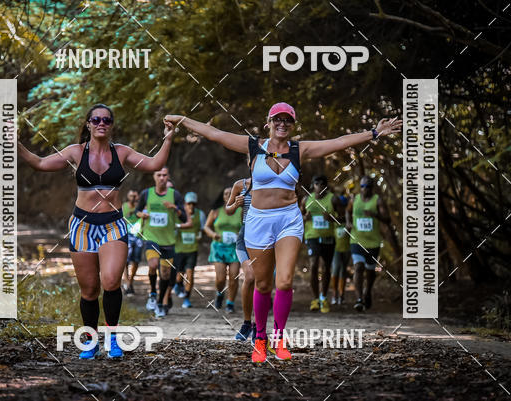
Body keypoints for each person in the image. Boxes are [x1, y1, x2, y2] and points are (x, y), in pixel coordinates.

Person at [164, 102, 401, 362]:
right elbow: (214, 134)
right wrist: (181, 119)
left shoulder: (299, 149)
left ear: (293, 124)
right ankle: (260, 339)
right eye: (278, 119)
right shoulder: (253, 146)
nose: (282, 123)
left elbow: (338, 142)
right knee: (263, 284)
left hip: (289, 219)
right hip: (258, 221)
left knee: (285, 281)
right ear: (268, 122)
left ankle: (279, 338)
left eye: (288, 120)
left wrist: (374, 133)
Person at [18, 104, 175, 359]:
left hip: (113, 224)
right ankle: (90, 341)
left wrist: (168, 138)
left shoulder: (121, 152)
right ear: (88, 124)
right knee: (89, 290)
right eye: (96, 119)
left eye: (106, 120)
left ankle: (113, 338)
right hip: (83, 226)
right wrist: (15, 144)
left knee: (111, 281)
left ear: (111, 125)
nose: (101, 123)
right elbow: (40, 163)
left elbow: (155, 162)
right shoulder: (76, 152)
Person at [135, 167, 190, 318]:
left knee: (165, 274)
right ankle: (153, 293)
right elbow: (137, 211)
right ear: (154, 176)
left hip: (168, 241)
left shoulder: (175, 195)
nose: (161, 178)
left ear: (168, 176)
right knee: (153, 265)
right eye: (159, 175)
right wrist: (141, 215)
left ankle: (160, 302)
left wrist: (175, 208)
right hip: (151, 237)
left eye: (164, 175)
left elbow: (184, 218)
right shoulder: (146, 193)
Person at [346, 176, 390, 312]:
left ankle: (368, 291)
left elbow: (387, 219)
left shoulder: (378, 200)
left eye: (367, 186)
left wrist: (374, 214)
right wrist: (348, 222)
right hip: (356, 240)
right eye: (362, 186)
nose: (364, 189)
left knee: (370, 272)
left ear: (372, 188)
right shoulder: (354, 199)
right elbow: (348, 211)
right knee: (358, 267)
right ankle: (359, 299)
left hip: (373, 242)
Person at [301, 175, 340, 313]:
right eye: (317, 183)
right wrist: (304, 217)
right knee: (313, 265)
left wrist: (331, 218)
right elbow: (298, 217)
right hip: (312, 237)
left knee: (326, 268)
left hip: (328, 237)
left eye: (323, 184)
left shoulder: (333, 199)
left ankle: (323, 297)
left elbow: (343, 218)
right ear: (313, 185)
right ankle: (315, 299)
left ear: (326, 186)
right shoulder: (306, 199)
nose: (320, 186)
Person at [204, 187, 242, 313]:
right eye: (226, 194)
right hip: (219, 247)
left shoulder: (241, 211)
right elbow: (206, 227)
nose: (228, 195)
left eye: (231, 193)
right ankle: (220, 293)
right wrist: (213, 235)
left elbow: (247, 227)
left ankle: (230, 303)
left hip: (234, 248)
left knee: (234, 277)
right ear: (223, 196)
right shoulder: (216, 211)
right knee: (220, 279)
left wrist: (240, 235)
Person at [226, 178, 255, 343]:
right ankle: (246, 323)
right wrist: (236, 204)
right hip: (245, 236)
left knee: (261, 281)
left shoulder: (270, 183)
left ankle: (258, 326)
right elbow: (228, 209)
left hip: (265, 237)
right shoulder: (240, 185)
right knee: (250, 277)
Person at [173, 192, 206, 308]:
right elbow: (173, 229)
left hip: (192, 249)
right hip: (179, 249)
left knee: (190, 274)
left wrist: (200, 235)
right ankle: (178, 284)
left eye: (193, 204)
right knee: (179, 275)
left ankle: (187, 298)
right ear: (184, 203)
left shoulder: (200, 215)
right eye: (189, 203)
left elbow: (202, 229)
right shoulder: (178, 214)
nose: (191, 206)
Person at [122, 189, 143, 296]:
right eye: (131, 196)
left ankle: (130, 282)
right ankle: (127, 283)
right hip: (127, 236)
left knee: (136, 261)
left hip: (138, 236)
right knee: (125, 260)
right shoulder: (124, 207)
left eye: (135, 196)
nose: (133, 198)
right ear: (128, 196)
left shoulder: (141, 207)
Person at [331, 194, 350, 305]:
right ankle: (334, 294)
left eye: (343, 206)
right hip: (336, 248)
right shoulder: (333, 217)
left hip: (347, 248)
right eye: (340, 206)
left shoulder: (349, 218)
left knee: (343, 270)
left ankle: (341, 295)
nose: (341, 208)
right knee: (335, 269)